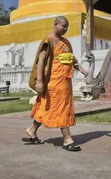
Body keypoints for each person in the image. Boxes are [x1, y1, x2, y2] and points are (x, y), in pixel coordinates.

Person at [23, 16, 87, 151]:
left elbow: (70, 59)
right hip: (54, 83)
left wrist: (80, 68)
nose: (65, 29)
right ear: (55, 25)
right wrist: (39, 81)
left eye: (67, 27)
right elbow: (41, 62)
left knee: (45, 106)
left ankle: (32, 130)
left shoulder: (66, 43)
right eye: (63, 26)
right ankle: (67, 139)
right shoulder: (48, 41)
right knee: (60, 108)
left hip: (65, 81)